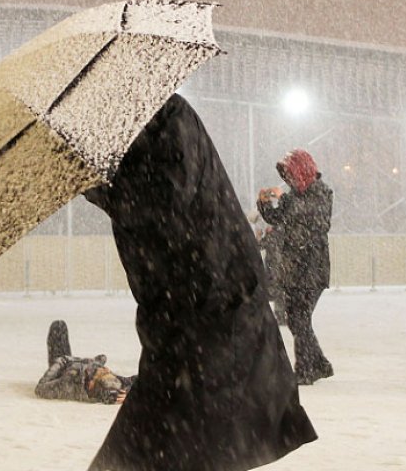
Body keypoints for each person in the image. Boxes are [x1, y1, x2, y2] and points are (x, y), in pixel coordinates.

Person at [84, 94, 316, 471]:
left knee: (177, 437)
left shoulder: (168, 116)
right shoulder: (136, 129)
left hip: (213, 300)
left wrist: (100, 186)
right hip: (178, 308)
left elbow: (165, 202)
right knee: (168, 440)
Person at [257, 148, 334, 386]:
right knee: (295, 320)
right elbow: (277, 218)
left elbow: (318, 222)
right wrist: (264, 203)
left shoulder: (321, 192)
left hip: (312, 269)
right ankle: (319, 364)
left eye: (290, 174)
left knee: (299, 319)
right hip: (294, 268)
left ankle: (306, 370)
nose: (288, 180)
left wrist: (283, 199)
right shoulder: (292, 195)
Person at [35, 320, 134, 405]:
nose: (107, 369)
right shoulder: (113, 384)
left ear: (91, 384)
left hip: (63, 365)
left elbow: (39, 389)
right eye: (107, 372)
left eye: (103, 372)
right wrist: (130, 393)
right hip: (84, 364)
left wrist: (62, 361)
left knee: (59, 326)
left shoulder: (67, 384)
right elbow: (140, 379)